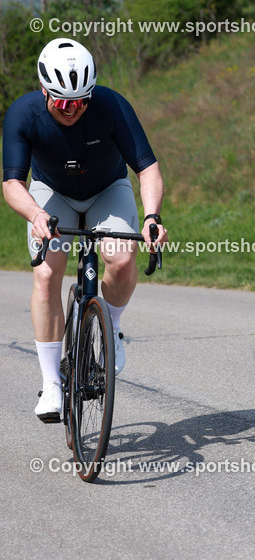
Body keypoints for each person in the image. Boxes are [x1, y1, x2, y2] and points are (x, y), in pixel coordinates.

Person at [2, 38, 168, 422]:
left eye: (80, 102)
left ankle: (111, 326)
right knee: (46, 274)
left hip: (107, 189)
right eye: (62, 103)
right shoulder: (22, 114)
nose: (72, 111)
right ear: (44, 91)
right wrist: (35, 215)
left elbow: (147, 168)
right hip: (51, 192)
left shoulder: (110, 105)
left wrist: (151, 217)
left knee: (123, 258)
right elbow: (12, 183)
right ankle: (51, 384)